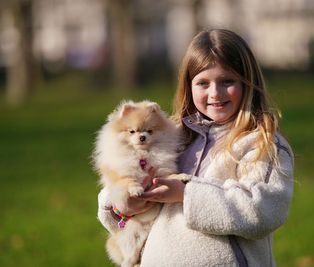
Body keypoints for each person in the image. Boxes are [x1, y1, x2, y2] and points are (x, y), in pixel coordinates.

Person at [98, 28, 294, 267]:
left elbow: (262, 211)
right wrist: (121, 204)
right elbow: (120, 178)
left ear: (247, 83)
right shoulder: (172, 136)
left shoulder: (260, 143)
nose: (215, 93)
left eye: (227, 81)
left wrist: (185, 194)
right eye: (203, 83)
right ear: (188, 86)